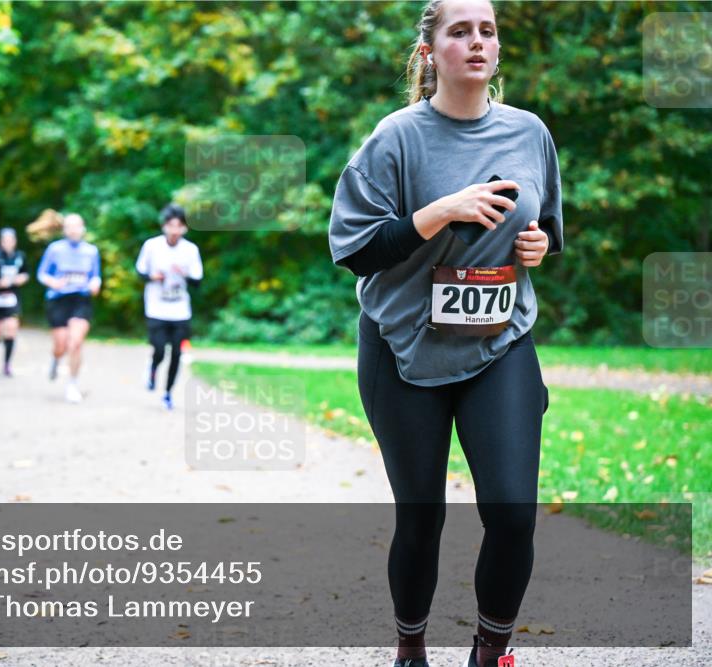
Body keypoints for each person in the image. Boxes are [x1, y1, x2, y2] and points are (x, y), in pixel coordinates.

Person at [327, 2, 563, 667]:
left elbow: (544, 230)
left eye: (487, 30)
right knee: (421, 516)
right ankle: (411, 648)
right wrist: (441, 210)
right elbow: (356, 249)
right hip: (403, 347)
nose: (477, 41)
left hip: (499, 342)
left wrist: (539, 245)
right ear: (430, 52)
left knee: (513, 512)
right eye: (460, 31)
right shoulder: (397, 138)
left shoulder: (529, 132)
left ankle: (491, 653)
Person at [135, 204, 204, 410]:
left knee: (176, 353)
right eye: (171, 225)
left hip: (180, 309)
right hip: (156, 307)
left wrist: (184, 274)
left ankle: (167, 393)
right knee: (158, 349)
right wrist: (153, 277)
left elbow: (198, 280)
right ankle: (152, 368)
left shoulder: (190, 250)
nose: (174, 230)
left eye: (179, 226)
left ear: (184, 228)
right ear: (164, 226)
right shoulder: (152, 246)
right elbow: (140, 272)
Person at [36, 213, 101, 403]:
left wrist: (95, 284)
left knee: (76, 343)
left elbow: (96, 275)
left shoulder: (91, 251)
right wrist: (53, 282)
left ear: (83, 228)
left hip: (81, 299)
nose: (73, 230)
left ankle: (72, 384)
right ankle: (56, 359)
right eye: (69, 226)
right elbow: (42, 274)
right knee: (61, 345)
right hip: (58, 300)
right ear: (64, 230)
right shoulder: (55, 249)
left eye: (77, 226)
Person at [0, 228, 28, 376]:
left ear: (15, 241)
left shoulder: (20, 257)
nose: (8, 243)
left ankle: (7, 364)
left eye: (11, 240)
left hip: (12, 297)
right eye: (5, 240)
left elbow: (25, 273)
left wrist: (20, 279)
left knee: (11, 329)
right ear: (1, 241)